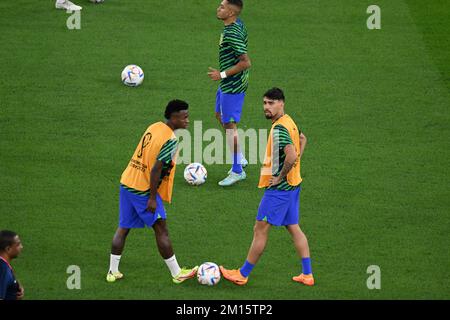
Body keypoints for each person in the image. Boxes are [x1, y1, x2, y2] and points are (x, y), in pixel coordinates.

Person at [220, 88, 315, 286]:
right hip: (293, 186)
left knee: (260, 229)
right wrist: (295, 163)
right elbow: (303, 139)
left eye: (271, 103)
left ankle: (242, 274)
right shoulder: (289, 121)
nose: (266, 107)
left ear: (282, 103)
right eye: (264, 103)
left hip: (280, 190)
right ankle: (307, 274)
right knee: (294, 228)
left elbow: (290, 155)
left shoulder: (280, 128)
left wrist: (280, 177)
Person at [106, 100, 198, 284]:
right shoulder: (170, 140)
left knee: (123, 227)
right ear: (173, 117)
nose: (188, 120)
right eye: (184, 117)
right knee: (161, 228)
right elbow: (156, 169)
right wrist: (152, 198)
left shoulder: (155, 126)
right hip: (142, 190)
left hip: (127, 181)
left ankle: (112, 272)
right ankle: (177, 273)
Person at [208, 0, 251, 186]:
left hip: (232, 85)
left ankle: (237, 170)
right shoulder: (236, 25)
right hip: (228, 83)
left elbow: (246, 62)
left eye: (223, 7)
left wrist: (222, 74)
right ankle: (239, 157)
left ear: (232, 12)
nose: (219, 8)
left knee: (230, 126)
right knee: (219, 115)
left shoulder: (232, 33)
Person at [0, 230, 24, 300]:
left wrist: (15, 285)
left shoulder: (3, 264)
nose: (21, 247)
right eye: (18, 244)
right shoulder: (2, 269)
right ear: (8, 249)